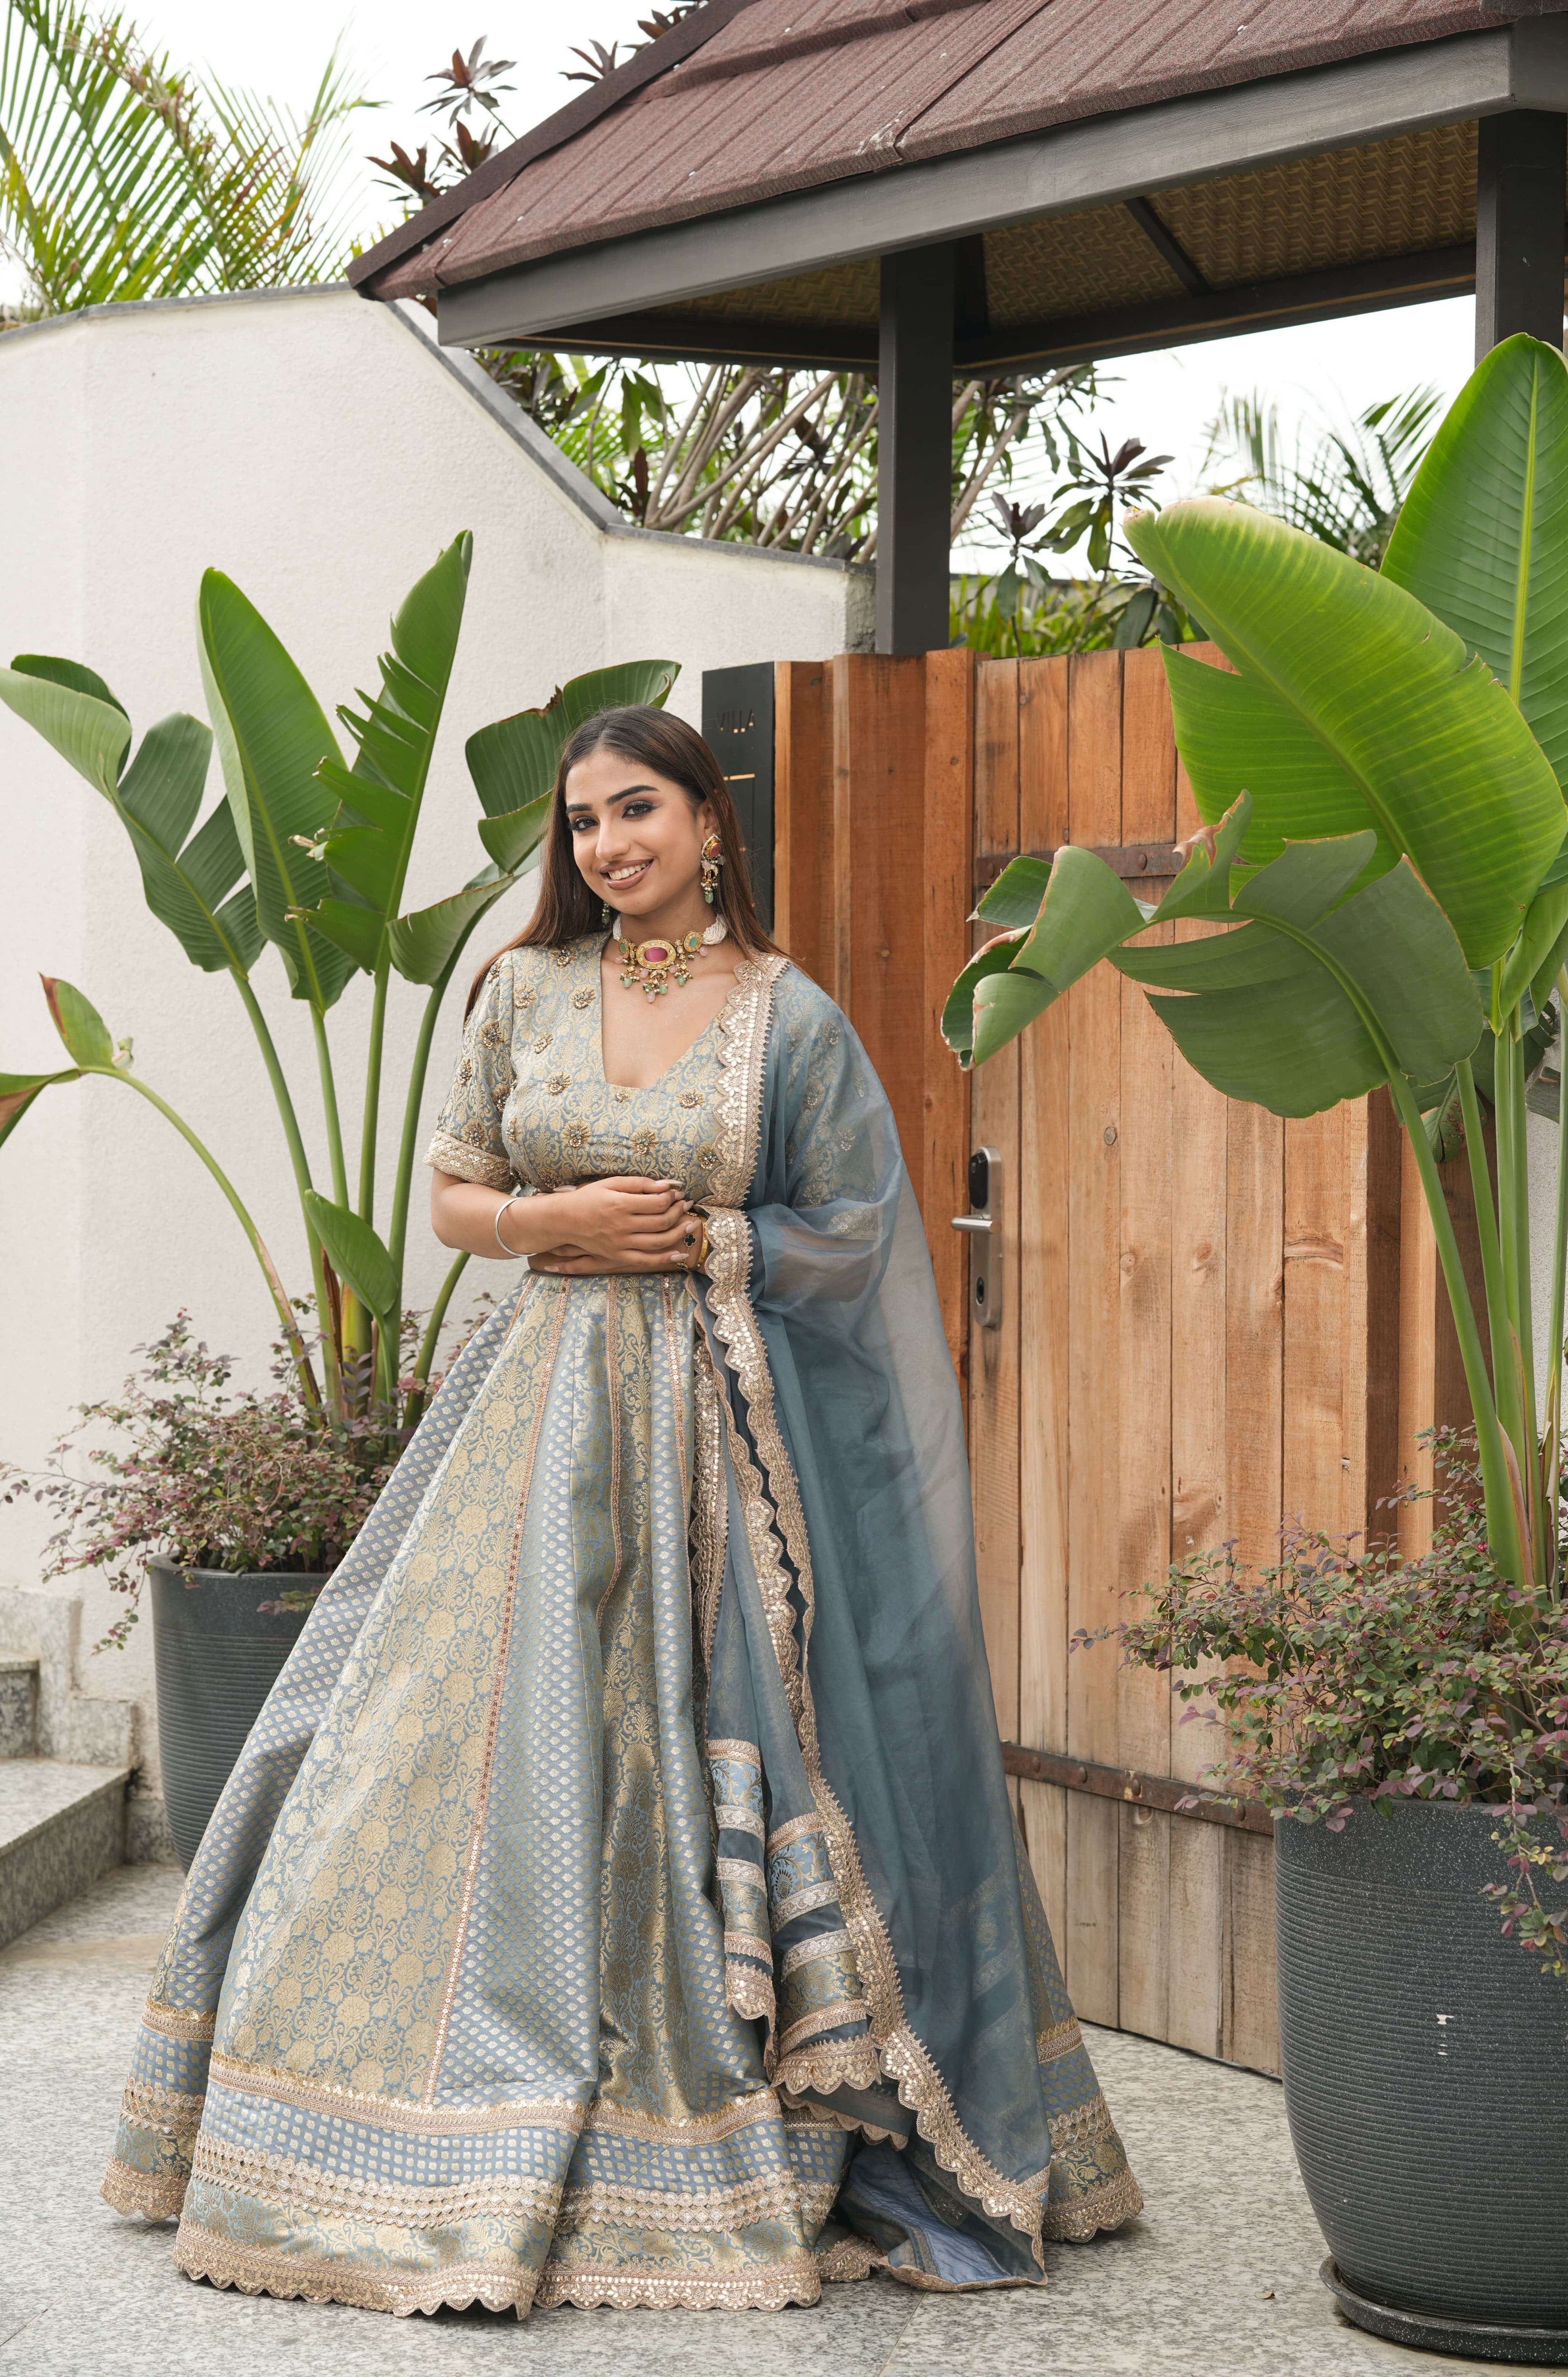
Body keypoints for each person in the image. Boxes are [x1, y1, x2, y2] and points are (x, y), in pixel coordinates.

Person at [104, 707, 1139, 2316]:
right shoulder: (522, 990)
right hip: (530, 1421)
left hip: (725, 1437)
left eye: (636, 811)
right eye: (583, 823)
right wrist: (558, 1216)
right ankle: (401, 2123)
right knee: (414, 1748)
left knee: (683, 1738)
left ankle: (735, 2110)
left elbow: (857, 1231)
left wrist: (707, 1248)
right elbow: (455, 1194)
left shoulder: (786, 1018)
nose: (608, 846)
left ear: (711, 820)